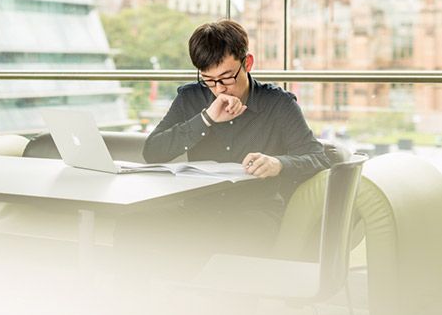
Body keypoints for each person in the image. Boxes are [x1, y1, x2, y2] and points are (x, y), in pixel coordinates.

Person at [126, 19, 330, 261]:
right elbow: (152, 152)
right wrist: (206, 118)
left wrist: (279, 164)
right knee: (132, 224)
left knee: (230, 240)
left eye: (226, 77)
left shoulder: (278, 104)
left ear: (248, 63)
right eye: (209, 80)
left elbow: (319, 159)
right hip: (198, 209)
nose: (219, 89)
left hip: (256, 211)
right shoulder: (191, 98)